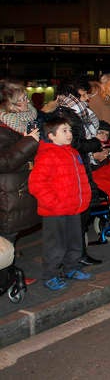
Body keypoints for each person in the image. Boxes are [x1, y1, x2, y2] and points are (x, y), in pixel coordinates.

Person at [40, 75, 105, 266]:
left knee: (80, 214)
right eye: (84, 94)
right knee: (75, 216)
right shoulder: (67, 113)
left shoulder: (74, 111)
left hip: (77, 166)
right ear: (74, 93)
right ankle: (72, 258)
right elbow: (74, 143)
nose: (87, 98)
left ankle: (76, 255)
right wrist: (95, 144)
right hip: (70, 169)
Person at [28, 116, 93, 291]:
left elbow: (82, 178)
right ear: (51, 136)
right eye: (64, 131)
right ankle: (50, 275)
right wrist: (54, 203)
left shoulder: (73, 153)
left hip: (73, 207)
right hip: (55, 211)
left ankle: (71, 268)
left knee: (75, 241)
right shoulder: (47, 155)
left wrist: (84, 198)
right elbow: (36, 184)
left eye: (70, 130)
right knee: (55, 245)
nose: (69, 134)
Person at [0, 80, 42, 286]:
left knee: (12, 235)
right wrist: (29, 142)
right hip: (7, 191)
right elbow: (4, 161)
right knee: (7, 236)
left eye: (26, 97)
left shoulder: (29, 119)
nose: (27, 101)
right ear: (10, 104)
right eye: (22, 99)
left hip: (21, 187)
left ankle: (9, 273)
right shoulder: (2, 127)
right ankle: (7, 277)